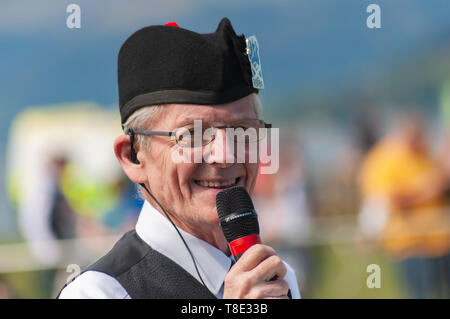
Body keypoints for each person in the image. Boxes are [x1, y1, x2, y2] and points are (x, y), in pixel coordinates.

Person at [58, 18, 300, 299]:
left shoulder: (278, 279)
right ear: (133, 157)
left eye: (242, 131)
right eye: (193, 135)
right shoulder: (101, 293)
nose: (225, 155)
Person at [357, 113, 450, 298]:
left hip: (439, 240)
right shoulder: (386, 160)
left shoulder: (425, 156)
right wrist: (426, 189)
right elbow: (386, 197)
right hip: (410, 243)